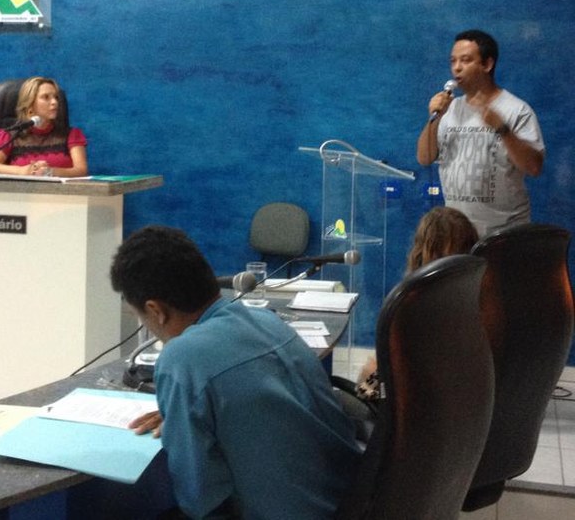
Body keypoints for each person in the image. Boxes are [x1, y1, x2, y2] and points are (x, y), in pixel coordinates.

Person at [110, 226, 361, 520]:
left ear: (156, 310)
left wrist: (184, 420)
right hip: (356, 501)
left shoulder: (182, 359)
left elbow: (200, 498)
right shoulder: (267, 321)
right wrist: (186, 413)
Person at [416, 29, 545, 237]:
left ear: (487, 64)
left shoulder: (516, 110)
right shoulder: (449, 109)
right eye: (453, 61)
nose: (457, 67)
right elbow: (425, 158)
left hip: (505, 235)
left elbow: (534, 167)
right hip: (457, 234)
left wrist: (502, 129)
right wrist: (435, 118)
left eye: (465, 60)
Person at [356, 206, 479, 401]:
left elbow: (373, 389)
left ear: (421, 251)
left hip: (411, 409)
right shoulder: (480, 306)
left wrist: (365, 379)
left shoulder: (409, 308)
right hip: (465, 410)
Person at [0, 77, 88, 177]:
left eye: (56, 97)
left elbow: (81, 170)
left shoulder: (71, 134)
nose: (55, 102)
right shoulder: (10, 135)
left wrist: (49, 172)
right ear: (30, 104)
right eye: (46, 97)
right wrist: (21, 171)